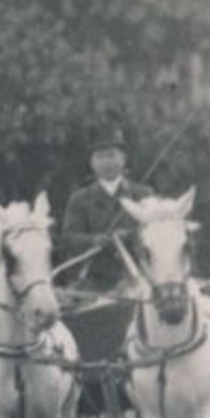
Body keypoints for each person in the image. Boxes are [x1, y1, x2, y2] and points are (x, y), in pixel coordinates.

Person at [58, 123, 156, 294]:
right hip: (94, 280)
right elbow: (68, 238)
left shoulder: (143, 194)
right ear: (91, 163)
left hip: (138, 276)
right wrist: (94, 240)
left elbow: (156, 234)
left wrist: (130, 236)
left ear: (123, 159)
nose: (106, 162)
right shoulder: (80, 199)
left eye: (111, 155)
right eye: (100, 157)